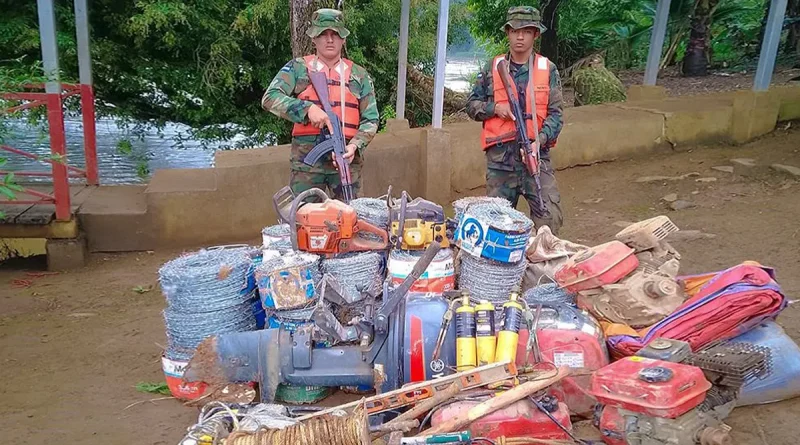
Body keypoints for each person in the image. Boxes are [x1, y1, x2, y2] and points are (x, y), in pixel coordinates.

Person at [466, 6, 564, 234]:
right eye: (515, 30)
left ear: (535, 34)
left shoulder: (547, 69)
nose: (520, 36)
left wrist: (539, 140)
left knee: (549, 219)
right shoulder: (493, 68)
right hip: (501, 163)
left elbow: (557, 115)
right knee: (495, 227)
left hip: (535, 157)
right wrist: (494, 108)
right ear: (507, 33)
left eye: (527, 31)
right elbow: (471, 105)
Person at [262, 8, 379, 200]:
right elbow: (270, 98)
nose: (330, 39)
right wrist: (307, 109)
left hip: (347, 160)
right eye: (323, 34)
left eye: (335, 34)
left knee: (350, 219)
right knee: (303, 218)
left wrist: (355, 146)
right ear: (313, 38)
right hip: (306, 163)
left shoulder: (360, 75)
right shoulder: (297, 68)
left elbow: (371, 119)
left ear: (343, 39)